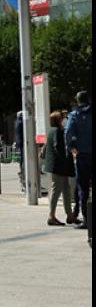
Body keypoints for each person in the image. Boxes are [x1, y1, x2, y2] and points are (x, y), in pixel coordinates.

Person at [40, 110, 76, 226]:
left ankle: (70, 215)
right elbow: (57, 146)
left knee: (66, 190)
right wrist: (66, 158)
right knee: (56, 190)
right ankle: (51, 216)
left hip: (59, 166)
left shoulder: (53, 131)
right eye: (62, 117)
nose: (64, 119)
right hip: (58, 166)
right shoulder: (56, 131)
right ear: (58, 120)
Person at [64, 91, 91, 232]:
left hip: (82, 156)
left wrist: (72, 148)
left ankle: (87, 220)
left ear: (77, 101)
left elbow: (68, 133)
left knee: (83, 189)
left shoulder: (74, 115)